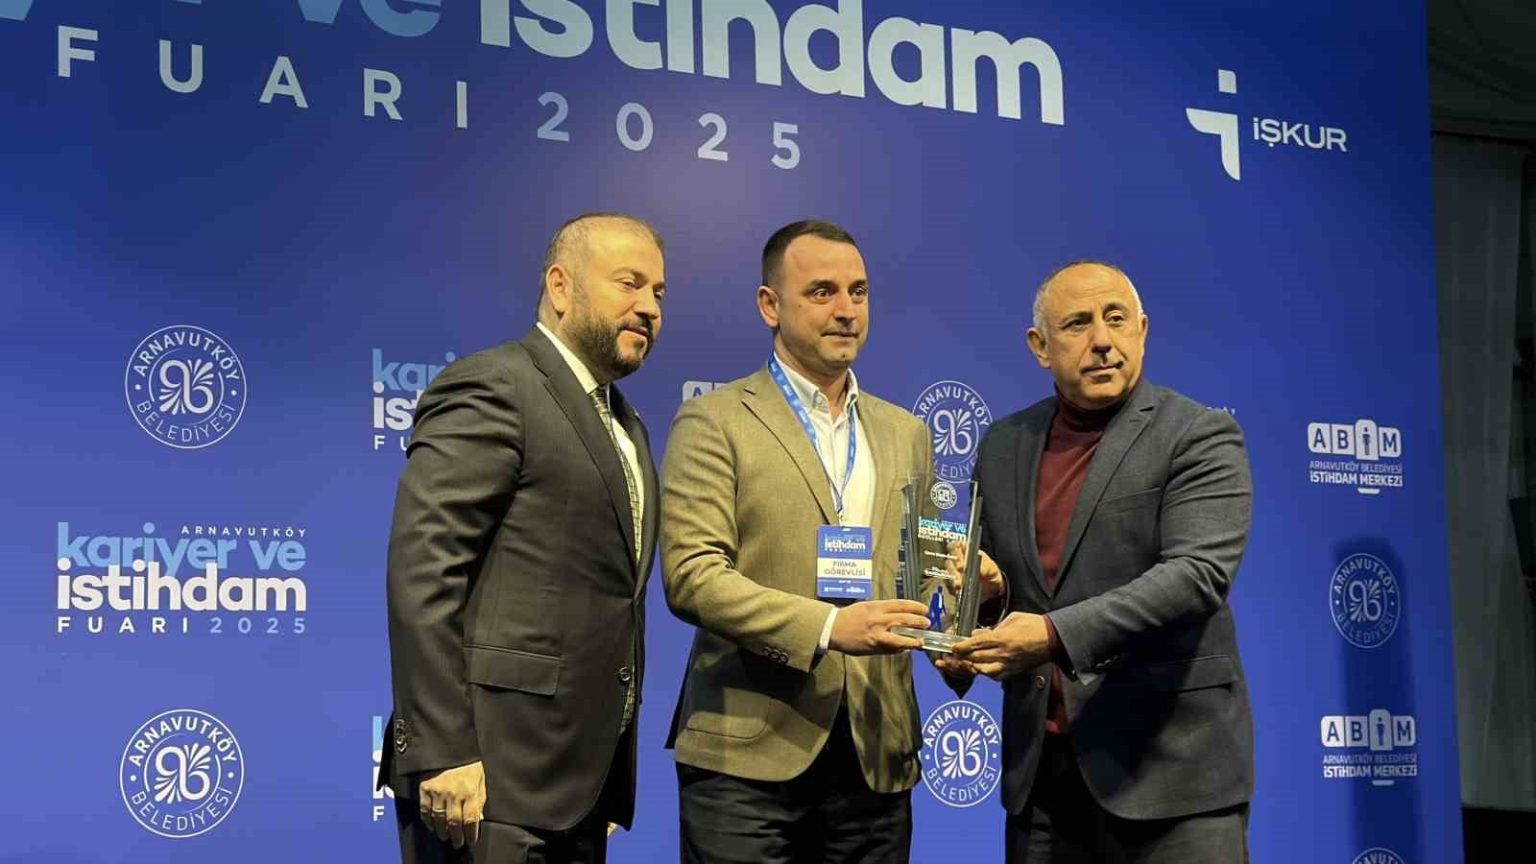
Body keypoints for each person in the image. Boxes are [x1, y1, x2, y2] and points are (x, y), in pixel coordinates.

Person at [660, 219, 1001, 863]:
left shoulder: (906, 433)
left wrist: (960, 619)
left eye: (858, 291)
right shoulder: (715, 420)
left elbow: (922, 579)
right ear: (770, 305)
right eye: (822, 292)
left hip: (877, 758)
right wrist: (828, 628)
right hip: (747, 761)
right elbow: (693, 576)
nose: (846, 310)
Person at [379, 212, 667, 863]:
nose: (649, 307)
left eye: (658, 292)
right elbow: (425, 572)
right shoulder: (494, 385)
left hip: (577, 789)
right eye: (629, 283)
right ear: (561, 287)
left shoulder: (626, 422)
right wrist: (444, 751)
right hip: (483, 783)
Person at [947, 261, 1254, 863]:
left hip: (1172, 779)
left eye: (1116, 319)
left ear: (1142, 329)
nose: (1103, 340)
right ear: (1040, 346)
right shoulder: (1004, 445)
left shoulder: (1199, 435)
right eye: (1078, 324)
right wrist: (980, 604)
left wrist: (1051, 635)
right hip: (1044, 783)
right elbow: (1011, 590)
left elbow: (1196, 577)